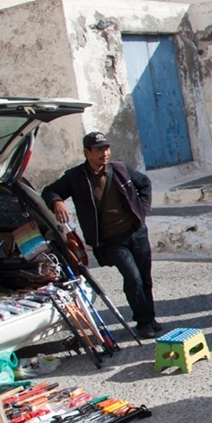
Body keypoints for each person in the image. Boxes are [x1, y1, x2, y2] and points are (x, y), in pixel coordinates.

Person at [42, 132, 160, 339]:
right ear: (86, 152)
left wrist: (142, 209)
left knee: (144, 277)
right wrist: (57, 202)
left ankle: (150, 318)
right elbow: (50, 191)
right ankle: (143, 322)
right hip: (112, 241)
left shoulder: (120, 169)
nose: (104, 153)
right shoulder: (76, 177)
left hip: (136, 233)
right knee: (132, 277)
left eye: (106, 148)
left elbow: (144, 183)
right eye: (98, 150)